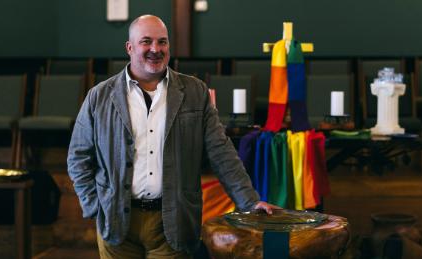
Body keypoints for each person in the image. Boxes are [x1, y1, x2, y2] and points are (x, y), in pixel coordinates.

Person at [67, 14, 277, 258]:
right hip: (116, 222)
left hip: (174, 222)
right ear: (129, 47)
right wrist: (95, 206)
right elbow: (78, 157)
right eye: (146, 41)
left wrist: (249, 201)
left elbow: (221, 152)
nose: (155, 49)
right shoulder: (99, 96)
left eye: (162, 42)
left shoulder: (194, 92)